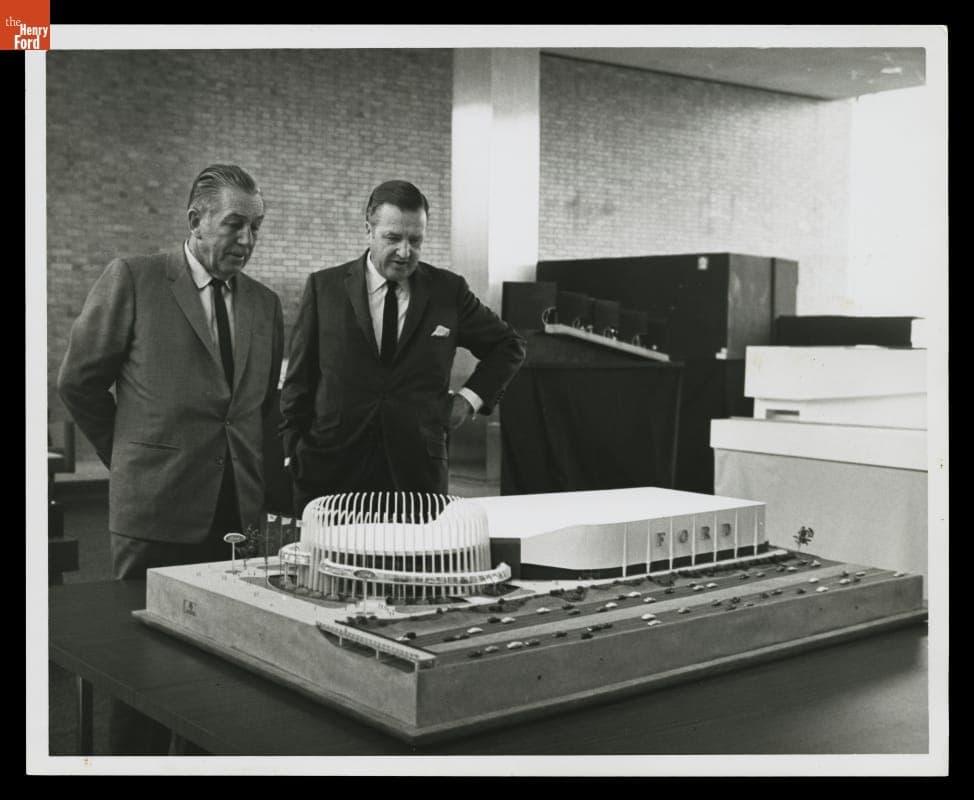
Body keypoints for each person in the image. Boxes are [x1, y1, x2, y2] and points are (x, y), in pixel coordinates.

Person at [57, 163, 284, 754]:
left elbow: (265, 412)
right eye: (234, 224)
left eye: (256, 227)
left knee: (228, 675)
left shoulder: (264, 304)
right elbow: (79, 382)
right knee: (145, 675)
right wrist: (129, 458)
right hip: (156, 509)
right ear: (195, 220)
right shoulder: (134, 279)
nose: (247, 240)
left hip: (240, 519)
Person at [280, 179, 525, 515]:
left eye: (415, 240)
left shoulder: (447, 292)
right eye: (393, 238)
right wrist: (292, 451)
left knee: (412, 566)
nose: (405, 251)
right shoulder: (325, 288)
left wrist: (466, 402)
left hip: (416, 480)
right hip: (329, 474)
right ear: (369, 230)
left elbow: (508, 345)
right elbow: (298, 382)